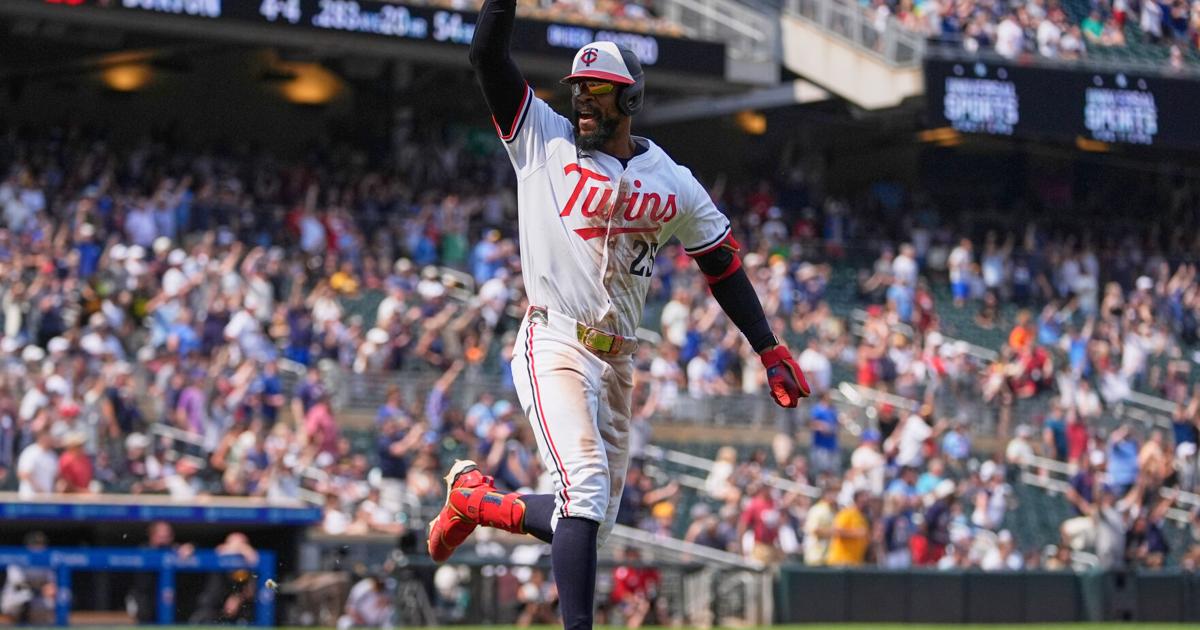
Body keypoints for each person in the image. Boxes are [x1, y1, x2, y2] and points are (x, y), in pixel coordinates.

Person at [425, 4, 811, 629]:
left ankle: (476, 502)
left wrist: (768, 348)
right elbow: (486, 57)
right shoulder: (541, 140)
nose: (582, 102)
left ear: (630, 101)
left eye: (598, 92)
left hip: (618, 362)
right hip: (553, 338)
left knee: (588, 520)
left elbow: (722, 264)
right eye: (578, 90)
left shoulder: (674, 181)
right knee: (585, 488)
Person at [826, 489, 871, 566]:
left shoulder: (862, 517)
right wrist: (855, 533)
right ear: (857, 499)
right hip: (841, 561)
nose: (867, 502)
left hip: (855, 562)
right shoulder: (847, 513)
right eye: (864, 499)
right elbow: (836, 531)